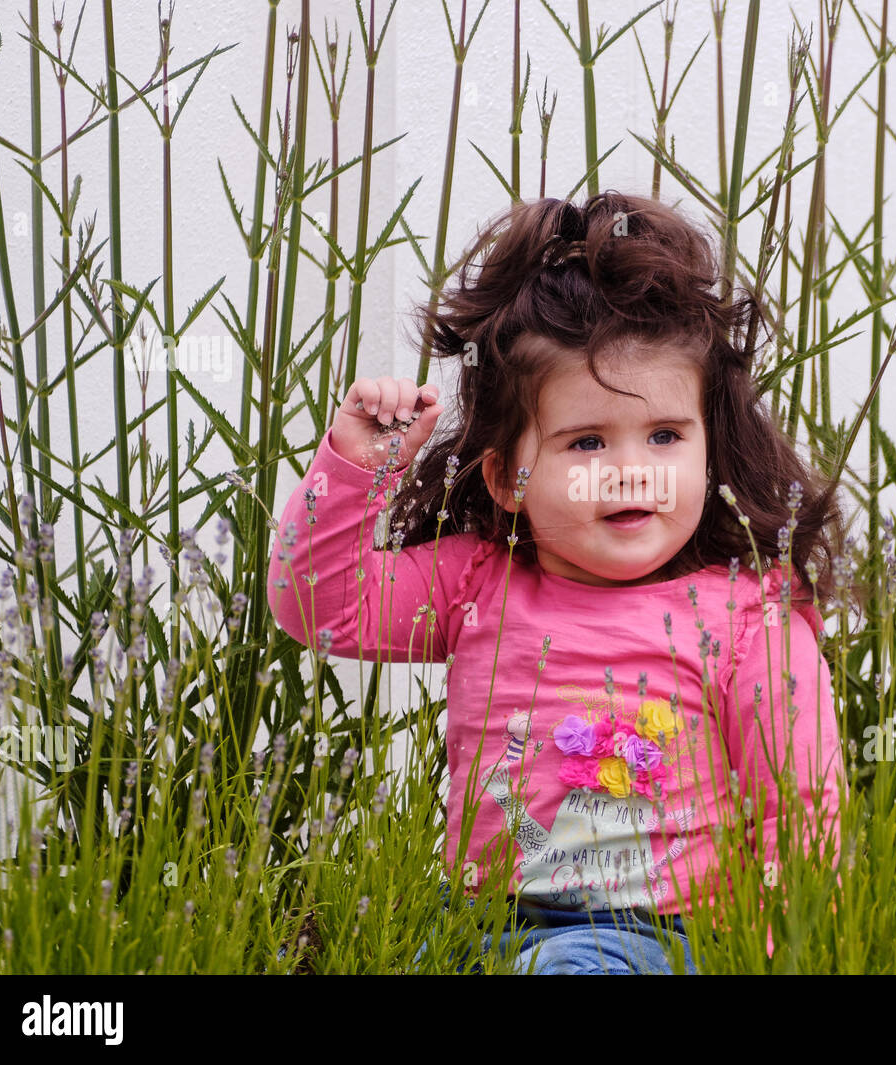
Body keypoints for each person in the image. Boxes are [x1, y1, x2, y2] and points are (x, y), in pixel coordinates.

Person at [267, 190, 853, 974]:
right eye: (586, 441)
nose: (632, 470)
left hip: (665, 936)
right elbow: (323, 609)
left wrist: (782, 952)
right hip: (472, 923)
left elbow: (802, 809)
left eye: (666, 435)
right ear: (510, 477)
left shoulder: (750, 619)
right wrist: (353, 473)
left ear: (709, 448)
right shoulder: (479, 581)